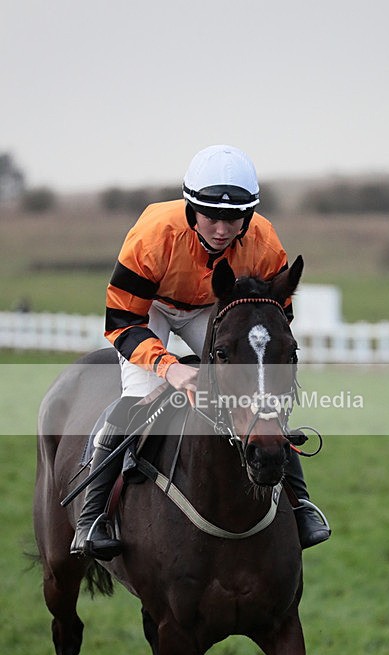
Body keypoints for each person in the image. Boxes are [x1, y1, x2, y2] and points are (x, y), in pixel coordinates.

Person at [71, 145, 330, 560]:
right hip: (149, 309)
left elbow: (275, 321)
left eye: (235, 218)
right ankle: (92, 517)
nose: (224, 229)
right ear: (192, 208)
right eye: (213, 216)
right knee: (135, 400)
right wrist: (171, 369)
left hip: (214, 309)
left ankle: (300, 506)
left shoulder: (263, 241)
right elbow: (122, 323)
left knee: (260, 398)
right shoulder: (153, 237)